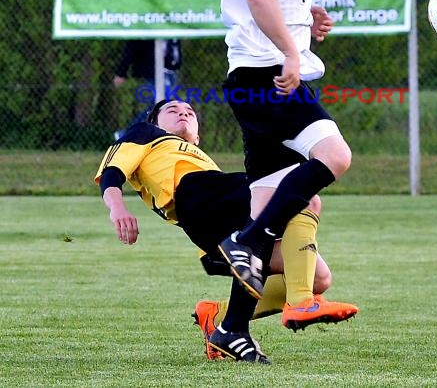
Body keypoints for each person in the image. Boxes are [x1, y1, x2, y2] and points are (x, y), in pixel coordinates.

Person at [95, 99, 358, 364]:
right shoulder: (146, 133)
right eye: (172, 111)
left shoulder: (198, 157)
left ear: (197, 136)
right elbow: (112, 171)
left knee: (319, 279)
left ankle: (218, 316)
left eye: (189, 112)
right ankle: (300, 302)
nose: (182, 114)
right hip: (200, 196)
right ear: (155, 123)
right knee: (304, 196)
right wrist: (116, 207)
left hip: (212, 228)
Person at [218, 0, 352, 304]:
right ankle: (248, 241)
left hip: (252, 78)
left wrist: (302, 16)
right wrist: (291, 51)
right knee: (334, 156)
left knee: (282, 205)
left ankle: (229, 328)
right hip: (268, 77)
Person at [113, 39, 182, 139]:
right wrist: (121, 72)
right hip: (155, 71)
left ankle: (154, 136)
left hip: (172, 71)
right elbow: (131, 47)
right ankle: (128, 133)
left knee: (163, 105)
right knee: (161, 103)